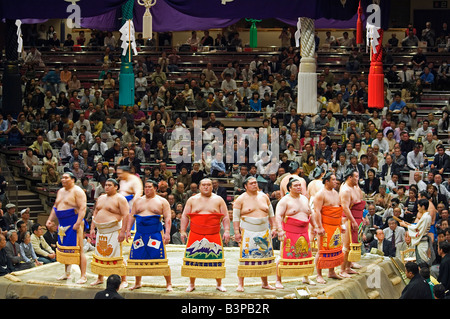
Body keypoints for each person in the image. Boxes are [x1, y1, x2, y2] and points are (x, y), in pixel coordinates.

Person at [180, 178, 230, 292]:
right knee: (192, 258)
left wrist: (227, 230)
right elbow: (184, 216)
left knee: (216, 258)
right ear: (199, 186)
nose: (206, 187)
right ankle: (191, 284)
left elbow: (226, 216)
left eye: (209, 185)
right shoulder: (192, 200)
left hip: (213, 234)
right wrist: (183, 231)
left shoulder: (218, 200)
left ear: (212, 187)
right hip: (195, 233)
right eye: (204, 185)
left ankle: (219, 283)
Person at [126, 180, 172, 291]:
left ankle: (169, 283)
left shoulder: (162, 201)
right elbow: (132, 216)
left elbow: (168, 218)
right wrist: (128, 230)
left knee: (160, 257)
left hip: (155, 233)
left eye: (149, 187)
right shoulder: (138, 201)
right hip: (140, 233)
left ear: (155, 188)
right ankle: (138, 282)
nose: (147, 189)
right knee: (137, 256)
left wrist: (167, 233)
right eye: (145, 187)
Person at [232, 176, 277, 292]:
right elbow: (236, 217)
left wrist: (274, 227)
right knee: (245, 257)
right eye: (251, 183)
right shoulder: (240, 199)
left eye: (255, 183)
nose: (254, 185)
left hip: (264, 230)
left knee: (264, 256)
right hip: (248, 231)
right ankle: (241, 284)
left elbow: (271, 214)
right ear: (245, 186)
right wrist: (236, 232)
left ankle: (265, 283)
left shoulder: (264, 197)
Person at [45, 172, 88, 284]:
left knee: (79, 249)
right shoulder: (60, 191)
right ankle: (67, 273)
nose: (63, 179)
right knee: (64, 248)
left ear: (73, 179)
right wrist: (50, 219)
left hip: (74, 222)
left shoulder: (77, 191)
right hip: (62, 223)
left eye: (66, 178)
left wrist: (78, 223)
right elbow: (55, 207)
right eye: (62, 177)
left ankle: (83, 275)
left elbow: (83, 208)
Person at [275, 177, 316, 289]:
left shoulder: (304, 199)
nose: (299, 187)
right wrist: (280, 230)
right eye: (296, 186)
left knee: (306, 254)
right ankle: (278, 280)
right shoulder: (284, 200)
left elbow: (310, 213)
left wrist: (315, 226)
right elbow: (278, 216)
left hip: (304, 230)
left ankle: (306, 277)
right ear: (289, 188)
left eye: (300, 185)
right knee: (283, 255)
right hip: (289, 231)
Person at [90, 178, 130, 289]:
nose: (106, 187)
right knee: (100, 255)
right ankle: (100, 278)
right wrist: (92, 228)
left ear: (116, 187)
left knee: (117, 255)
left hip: (114, 231)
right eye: (106, 185)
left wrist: (123, 231)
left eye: (109, 185)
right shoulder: (101, 198)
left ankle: (124, 280)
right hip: (101, 231)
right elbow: (96, 212)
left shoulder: (120, 199)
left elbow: (126, 215)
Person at [312, 172, 345, 284]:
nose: (336, 182)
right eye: (334, 180)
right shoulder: (320, 194)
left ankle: (331, 272)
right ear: (327, 181)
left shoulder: (336, 193)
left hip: (336, 225)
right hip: (325, 225)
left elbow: (338, 210)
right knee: (321, 250)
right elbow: (317, 211)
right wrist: (319, 227)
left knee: (335, 249)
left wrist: (341, 224)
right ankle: (319, 275)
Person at [339, 168, 365, 277]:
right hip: (348, 220)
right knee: (346, 246)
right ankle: (342, 270)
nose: (358, 179)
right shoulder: (345, 190)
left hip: (357, 218)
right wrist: (353, 221)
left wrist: (362, 217)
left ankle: (348, 267)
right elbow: (345, 208)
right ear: (350, 177)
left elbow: (359, 203)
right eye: (356, 177)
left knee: (353, 244)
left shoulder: (356, 187)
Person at [400, 199, 433, 266]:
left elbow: (417, 229)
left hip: (422, 241)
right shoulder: (425, 216)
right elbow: (418, 227)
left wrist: (405, 225)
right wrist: (409, 224)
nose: (418, 209)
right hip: (421, 241)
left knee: (423, 261)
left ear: (423, 207)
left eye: (418, 207)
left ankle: (424, 274)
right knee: (420, 260)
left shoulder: (426, 217)